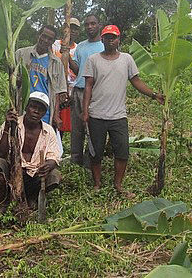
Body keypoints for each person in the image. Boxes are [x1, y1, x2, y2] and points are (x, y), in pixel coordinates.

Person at [81, 25, 164, 196]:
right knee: (96, 152)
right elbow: (88, 86)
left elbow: (136, 81)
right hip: (97, 114)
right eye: (107, 37)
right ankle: (97, 184)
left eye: (113, 37)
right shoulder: (93, 60)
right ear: (102, 39)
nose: (110, 40)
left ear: (119, 39)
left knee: (122, 152)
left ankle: (118, 185)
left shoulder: (126, 59)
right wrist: (85, 111)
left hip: (118, 116)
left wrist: (153, 94)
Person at [0, 91, 62, 214]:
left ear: (44, 113)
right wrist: (7, 127)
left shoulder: (48, 131)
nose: (36, 111)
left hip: (35, 174)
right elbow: (0, 154)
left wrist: (49, 164)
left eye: (41, 109)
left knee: (55, 175)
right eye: (33, 107)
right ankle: (3, 203)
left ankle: (31, 198)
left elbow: (54, 155)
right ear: (26, 107)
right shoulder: (13, 125)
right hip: (13, 171)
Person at [16, 25, 67, 129]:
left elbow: (57, 92)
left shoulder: (56, 63)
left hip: (44, 110)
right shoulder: (21, 54)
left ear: (53, 42)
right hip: (23, 107)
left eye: (50, 39)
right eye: (43, 36)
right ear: (38, 35)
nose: (45, 40)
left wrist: (56, 116)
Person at [69, 14, 104, 167]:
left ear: (99, 25)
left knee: (93, 128)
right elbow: (78, 69)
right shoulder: (81, 46)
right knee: (76, 129)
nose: (90, 27)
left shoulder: (104, 46)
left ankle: (90, 162)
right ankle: (75, 161)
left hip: (96, 93)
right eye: (87, 24)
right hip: (78, 91)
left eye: (93, 24)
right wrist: (68, 58)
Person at [52, 17, 81, 134]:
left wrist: (67, 55)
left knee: (67, 125)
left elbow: (79, 71)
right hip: (55, 89)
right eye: (70, 28)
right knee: (54, 122)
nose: (72, 31)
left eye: (75, 29)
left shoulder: (79, 49)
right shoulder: (54, 45)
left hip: (70, 92)